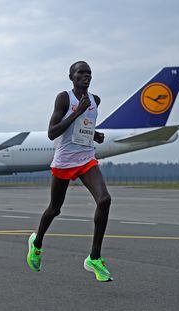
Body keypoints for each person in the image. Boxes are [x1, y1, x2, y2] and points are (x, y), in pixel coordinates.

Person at [26, 61, 113, 282]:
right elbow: (52, 133)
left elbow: (83, 127)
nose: (86, 76)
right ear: (71, 77)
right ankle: (36, 243)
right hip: (64, 161)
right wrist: (76, 112)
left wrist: (95, 135)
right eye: (81, 73)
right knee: (54, 209)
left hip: (86, 158)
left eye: (89, 73)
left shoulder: (95, 100)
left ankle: (94, 258)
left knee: (104, 200)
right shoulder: (64, 98)